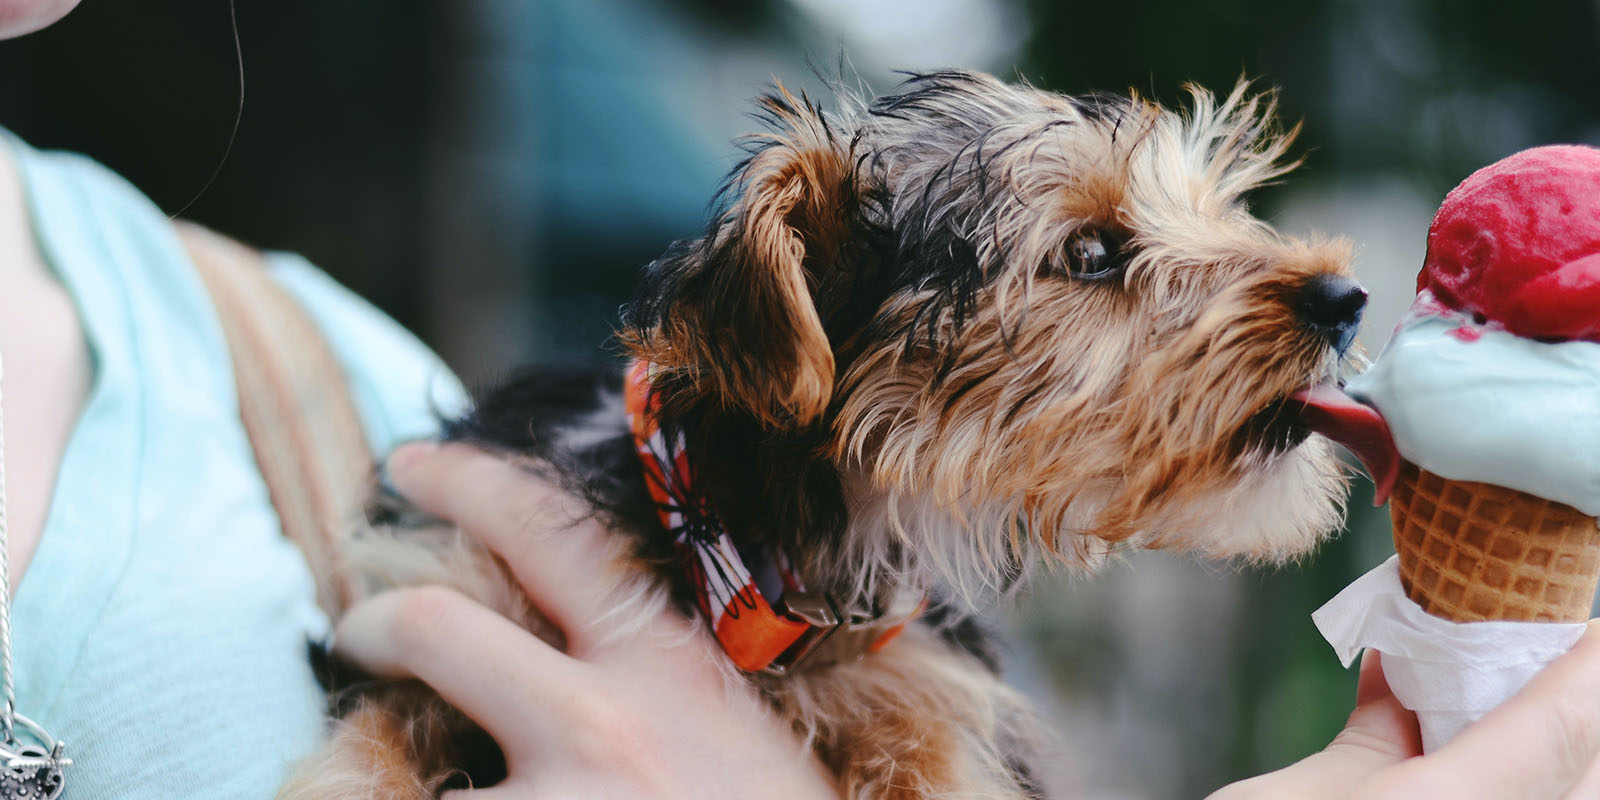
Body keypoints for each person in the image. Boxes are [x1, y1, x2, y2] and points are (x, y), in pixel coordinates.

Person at [5, 2, 1600, 797]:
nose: (1312, 280)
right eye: (1101, 255)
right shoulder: (462, 513)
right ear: (803, 323)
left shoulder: (321, 385)